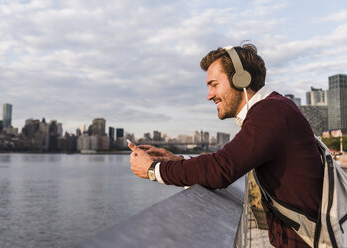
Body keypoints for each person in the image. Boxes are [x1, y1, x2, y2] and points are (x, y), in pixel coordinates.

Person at [128, 43, 323, 248]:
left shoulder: (272, 112)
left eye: (214, 84)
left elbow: (221, 169)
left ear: (241, 80)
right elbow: (227, 161)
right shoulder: (274, 109)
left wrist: (153, 170)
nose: (209, 95)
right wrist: (179, 160)